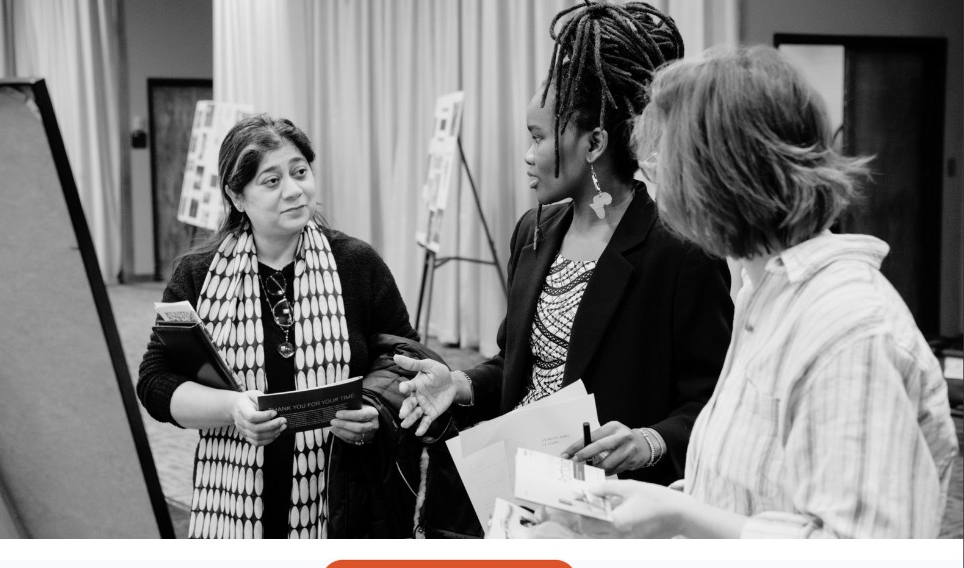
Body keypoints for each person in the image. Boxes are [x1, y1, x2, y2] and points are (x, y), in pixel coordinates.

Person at [542, 45, 958, 538]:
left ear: (723, 174)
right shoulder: (763, 292)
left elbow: (863, 565)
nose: (656, 185)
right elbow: (755, 490)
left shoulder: (850, 330)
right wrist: (661, 500)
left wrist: (680, 516)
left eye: (663, 163)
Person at [396, 1, 733, 486]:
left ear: (594, 144)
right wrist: (462, 384)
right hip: (516, 489)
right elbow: (513, 367)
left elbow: (712, 401)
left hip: (614, 512)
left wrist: (648, 442)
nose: (529, 156)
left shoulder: (681, 252)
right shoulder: (533, 233)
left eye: (537, 138)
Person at [136, 115, 418, 539]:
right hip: (233, 500)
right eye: (271, 181)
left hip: (339, 494)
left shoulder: (356, 264)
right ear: (237, 195)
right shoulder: (198, 275)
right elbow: (155, 382)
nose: (294, 190)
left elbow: (403, 357)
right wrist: (232, 409)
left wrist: (376, 408)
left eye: (300, 172)